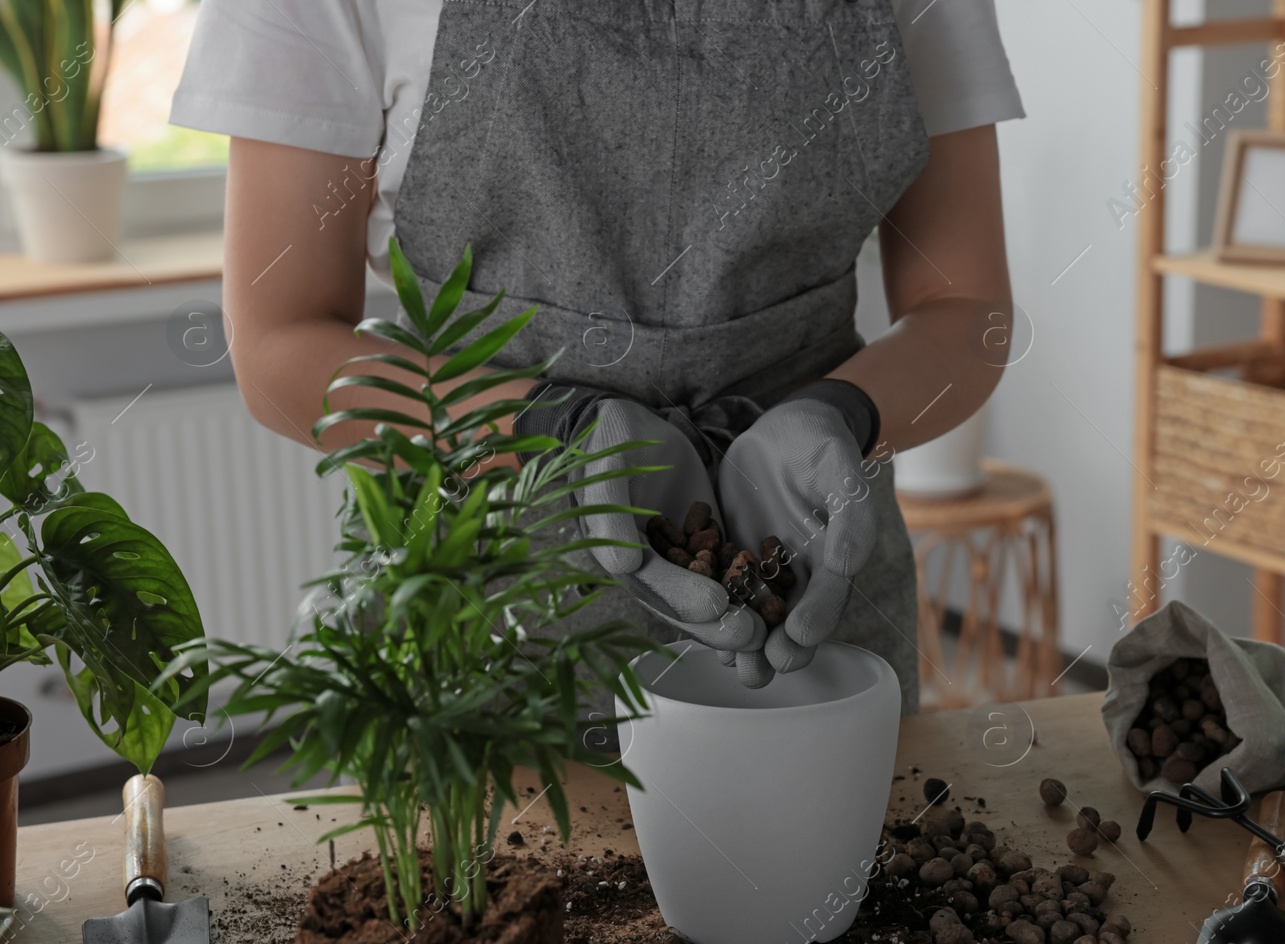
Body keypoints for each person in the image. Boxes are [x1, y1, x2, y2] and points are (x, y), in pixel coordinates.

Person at [172, 0, 1023, 715]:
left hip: (806, 569)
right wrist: (552, 429)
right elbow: (279, 342)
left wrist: (839, 415)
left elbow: (966, 310)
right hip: (482, 595)